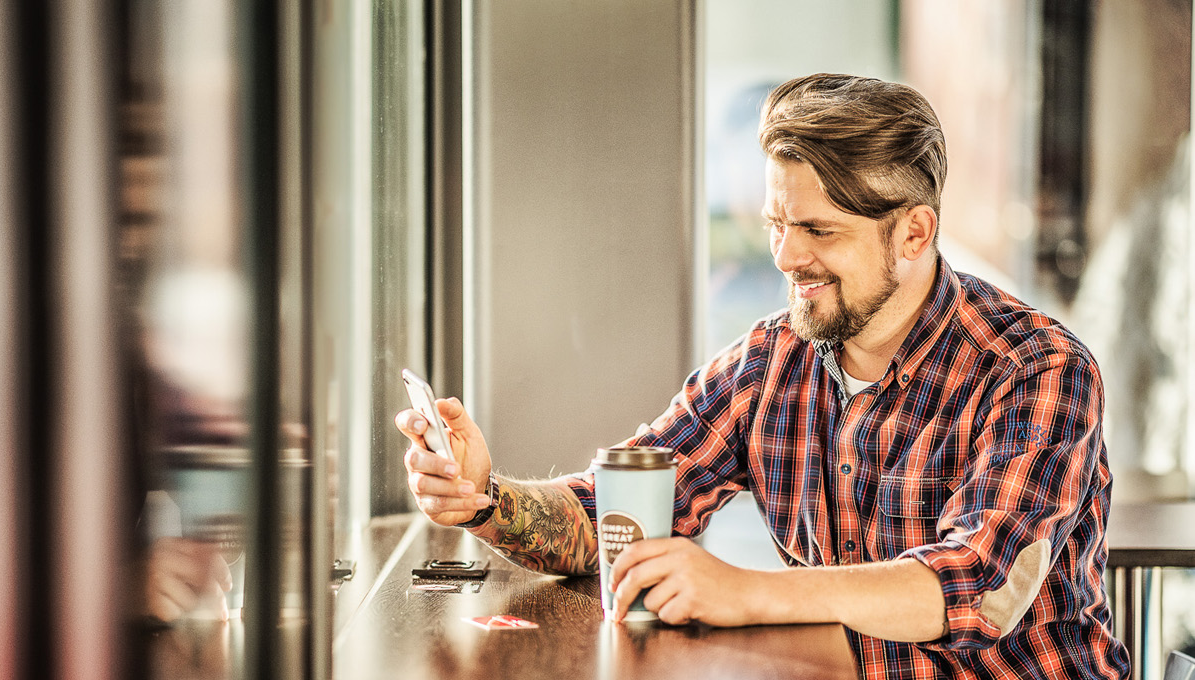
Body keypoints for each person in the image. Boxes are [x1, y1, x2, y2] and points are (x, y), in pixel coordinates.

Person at [397, 73, 1130, 679]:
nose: (784, 256)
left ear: (913, 232)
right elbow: (613, 519)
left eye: (818, 231)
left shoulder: (1036, 369)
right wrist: (483, 499)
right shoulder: (771, 359)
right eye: (777, 223)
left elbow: (973, 589)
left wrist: (743, 592)